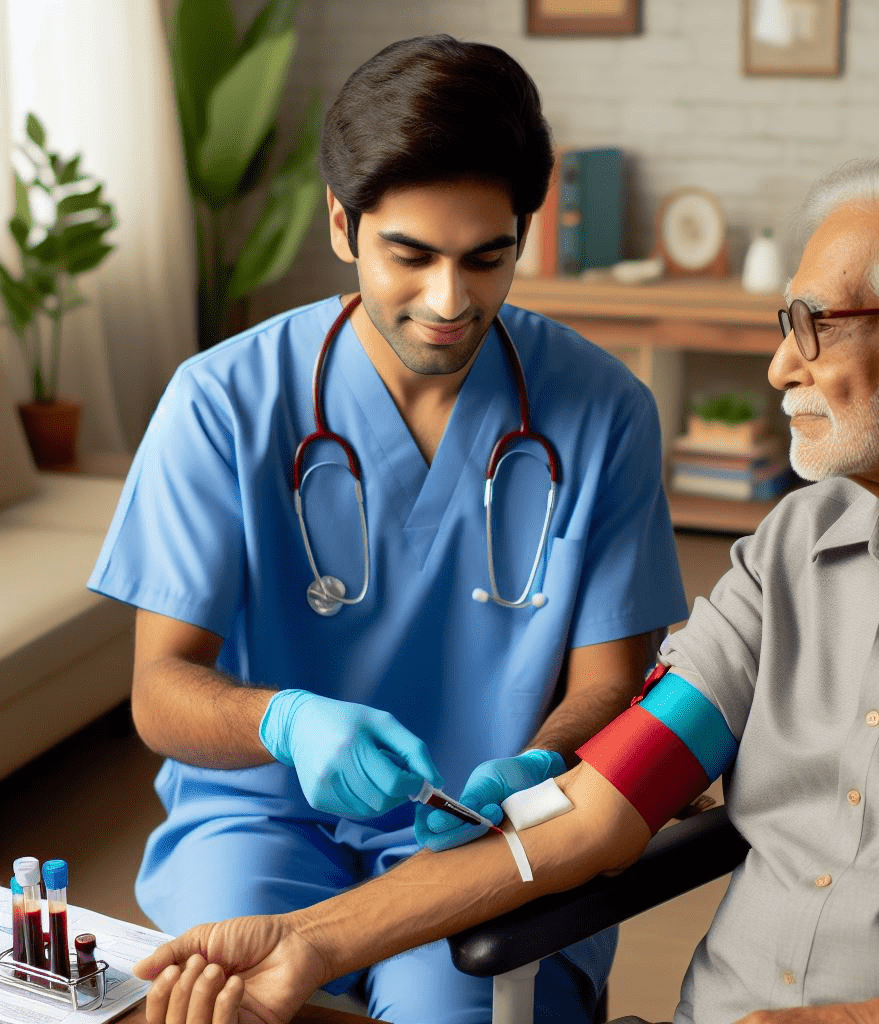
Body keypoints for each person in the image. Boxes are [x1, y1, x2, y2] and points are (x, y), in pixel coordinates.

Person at [134, 142, 879, 1024]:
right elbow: (606, 801)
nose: (780, 367)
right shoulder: (793, 552)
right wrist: (310, 941)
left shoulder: (600, 408)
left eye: (815, 325)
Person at [88, 34, 686, 1024]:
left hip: (479, 832)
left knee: (447, 1007)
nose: (450, 303)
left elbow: (608, 684)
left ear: (521, 236)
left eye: (486, 259)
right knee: (225, 1007)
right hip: (259, 818)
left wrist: (543, 763)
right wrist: (282, 719)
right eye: (410, 256)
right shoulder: (221, 402)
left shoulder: (602, 408)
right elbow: (161, 694)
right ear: (341, 223)